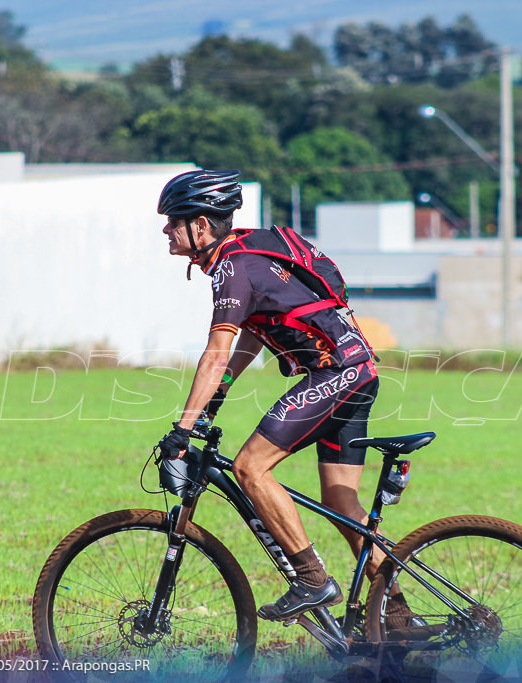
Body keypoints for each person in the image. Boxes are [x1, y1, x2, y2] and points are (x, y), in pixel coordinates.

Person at [155, 169, 417, 626]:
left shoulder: (232, 268)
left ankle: (313, 580)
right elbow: (252, 339)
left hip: (334, 372)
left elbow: (217, 351)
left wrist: (183, 427)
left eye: (173, 221)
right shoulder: (249, 253)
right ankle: (397, 622)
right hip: (358, 370)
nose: (164, 230)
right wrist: (219, 395)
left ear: (200, 226)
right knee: (343, 505)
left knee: (250, 467)